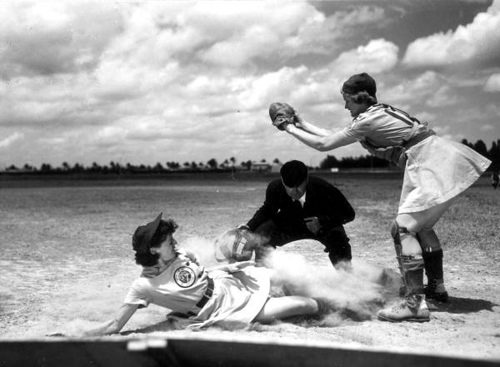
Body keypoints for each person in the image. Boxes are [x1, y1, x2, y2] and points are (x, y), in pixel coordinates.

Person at [272, 73, 491, 322]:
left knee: (403, 229)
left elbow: (324, 144)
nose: (345, 106)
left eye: (347, 101)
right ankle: (436, 289)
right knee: (422, 227)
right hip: (442, 157)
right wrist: (302, 122)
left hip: (429, 162)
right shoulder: (378, 113)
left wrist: (288, 127)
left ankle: (414, 303)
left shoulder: (368, 119)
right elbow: (333, 135)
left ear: (360, 97)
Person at [83, 213, 327, 335]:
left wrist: (230, 265)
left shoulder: (181, 253)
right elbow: (116, 325)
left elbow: (203, 274)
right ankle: (326, 310)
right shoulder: (143, 286)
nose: (175, 242)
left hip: (231, 281)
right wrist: (78, 335)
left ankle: (344, 297)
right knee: (308, 305)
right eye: (169, 240)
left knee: (292, 277)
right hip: (225, 310)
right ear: (154, 248)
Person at [241, 159, 355, 268]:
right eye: (289, 187)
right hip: (290, 223)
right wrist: (248, 227)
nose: (294, 192)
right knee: (262, 233)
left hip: (320, 226)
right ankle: (265, 273)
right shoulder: (275, 187)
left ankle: (345, 275)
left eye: (298, 186)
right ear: (282, 181)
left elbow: (349, 214)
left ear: (306, 179)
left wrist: (322, 221)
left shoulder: (323, 188)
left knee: (338, 237)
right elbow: (267, 210)